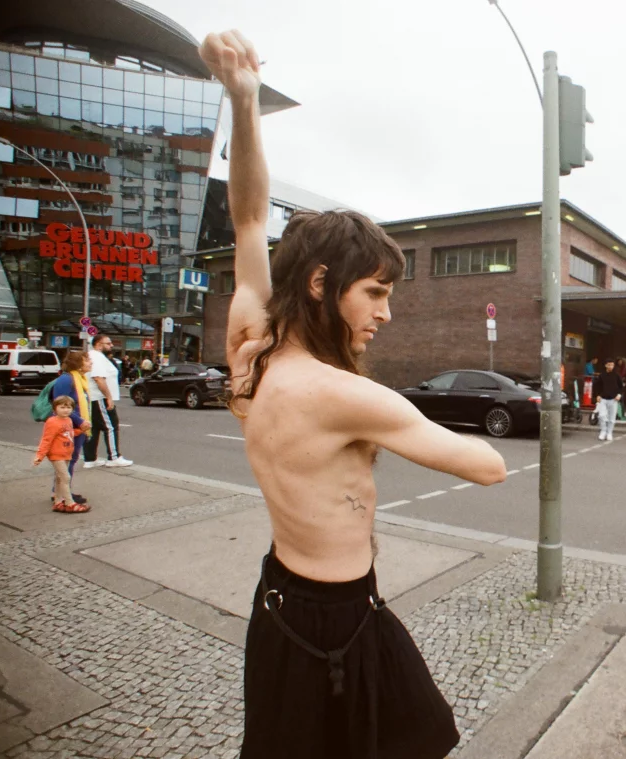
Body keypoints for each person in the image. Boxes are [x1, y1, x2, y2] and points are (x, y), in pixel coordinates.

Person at [199, 29, 507, 759]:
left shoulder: (254, 346)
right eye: (374, 291)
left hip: (279, 602)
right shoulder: (342, 395)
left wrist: (243, 103)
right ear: (320, 285)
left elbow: (248, 217)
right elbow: (487, 466)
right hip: (334, 619)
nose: (385, 311)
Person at [50, 351, 93, 507]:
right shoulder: (66, 380)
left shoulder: (80, 379)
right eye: (87, 360)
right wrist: (80, 421)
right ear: (78, 363)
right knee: (66, 461)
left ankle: (60, 491)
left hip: (78, 428)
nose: (91, 363)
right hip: (69, 429)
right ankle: (61, 495)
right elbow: (60, 406)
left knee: (71, 460)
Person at [83, 334, 133, 468]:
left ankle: (90, 459)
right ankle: (114, 457)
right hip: (99, 397)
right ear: (99, 344)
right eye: (108, 343)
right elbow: (99, 378)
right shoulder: (97, 357)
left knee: (93, 428)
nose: (111, 346)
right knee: (110, 426)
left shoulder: (94, 356)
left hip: (93, 398)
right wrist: (109, 397)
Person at [33, 396, 89, 513]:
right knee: (65, 477)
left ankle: (58, 502)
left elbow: (68, 433)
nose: (66, 410)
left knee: (59, 478)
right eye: (62, 407)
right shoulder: (52, 422)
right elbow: (46, 440)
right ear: (55, 409)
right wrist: (40, 455)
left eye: (68, 407)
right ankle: (69, 503)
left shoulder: (68, 420)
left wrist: (81, 431)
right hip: (56, 454)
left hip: (66, 453)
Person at [594, 358, 622, 441]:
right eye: (609, 365)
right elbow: (597, 386)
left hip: (613, 399)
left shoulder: (616, 375)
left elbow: (621, 387)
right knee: (601, 415)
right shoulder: (602, 375)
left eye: (612, 365)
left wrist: (619, 395)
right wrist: (597, 395)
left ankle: (609, 432)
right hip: (603, 398)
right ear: (606, 365)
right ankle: (603, 431)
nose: (610, 366)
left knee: (612, 418)